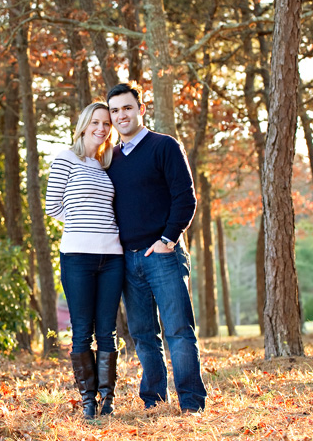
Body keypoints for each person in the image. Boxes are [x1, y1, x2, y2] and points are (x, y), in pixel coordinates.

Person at [105, 83, 207, 414]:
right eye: (115, 110)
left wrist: (167, 240)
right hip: (127, 260)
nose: (121, 115)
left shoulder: (164, 146)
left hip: (162, 255)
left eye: (127, 108)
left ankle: (191, 404)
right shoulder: (111, 159)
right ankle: (154, 401)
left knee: (179, 331)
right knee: (143, 336)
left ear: (141, 109)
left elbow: (185, 197)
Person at [45, 102, 124, 418]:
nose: (101, 128)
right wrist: (81, 224)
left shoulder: (108, 165)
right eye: (96, 122)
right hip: (77, 256)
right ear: (83, 125)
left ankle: (107, 400)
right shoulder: (66, 159)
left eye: (106, 123)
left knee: (107, 330)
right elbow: (53, 206)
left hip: (113, 257)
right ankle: (88, 401)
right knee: (82, 330)